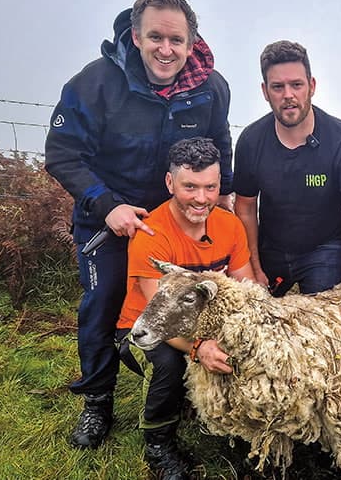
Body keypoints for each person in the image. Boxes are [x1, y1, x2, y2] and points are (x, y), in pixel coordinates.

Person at [43, 0, 233, 450]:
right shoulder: (95, 82)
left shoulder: (211, 88)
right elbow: (61, 153)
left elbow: (220, 146)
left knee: (191, 302)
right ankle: (97, 402)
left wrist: (220, 199)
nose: (165, 50)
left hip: (175, 221)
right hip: (108, 214)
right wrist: (109, 206)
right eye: (155, 38)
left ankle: (186, 388)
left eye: (176, 40)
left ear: (192, 42)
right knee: (104, 302)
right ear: (135, 35)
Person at [121, 137, 256, 479]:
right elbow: (161, 318)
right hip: (146, 326)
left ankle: (236, 427)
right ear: (170, 183)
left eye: (210, 187)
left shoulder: (230, 225)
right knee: (168, 363)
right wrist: (198, 348)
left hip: (204, 323)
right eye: (190, 187)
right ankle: (158, 441)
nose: (201, 198)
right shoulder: (152, 234)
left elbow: (246, 288)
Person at [233, 40, 341, 328]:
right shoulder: (250, 141)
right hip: (271, 246)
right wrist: (254, 269)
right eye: (278, 87)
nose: (288, 95)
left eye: (296, 85)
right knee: (257, 324)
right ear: (265, 91)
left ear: (311, 85)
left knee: (323, 329)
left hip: (323, 248)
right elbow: (245, 209)